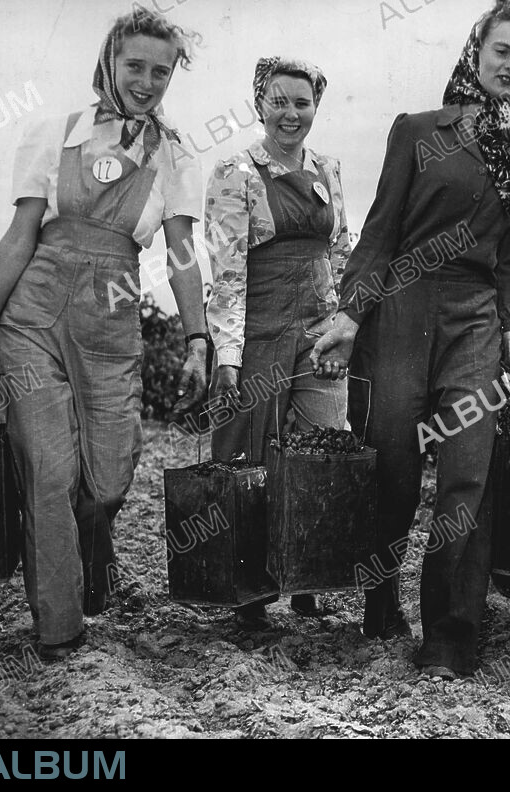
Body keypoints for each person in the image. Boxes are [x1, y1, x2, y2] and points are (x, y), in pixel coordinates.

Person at [311, 0, 510, 679]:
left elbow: (509, 265)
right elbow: (381, 229)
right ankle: (381, 597)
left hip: (474, 322)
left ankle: (450, 633)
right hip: (403, 312)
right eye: (504, 51)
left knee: (468, 473)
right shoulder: (417, 131)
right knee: (394, 470)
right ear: (477, 51)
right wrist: (352, 314)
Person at [0, 5, 207, 659]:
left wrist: (197, 339)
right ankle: (59, 629)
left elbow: (183, 254)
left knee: (106, 482)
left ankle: (87, 553)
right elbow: (20, 236)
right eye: (136, 66)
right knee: (49, 471)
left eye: (162, 71)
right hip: (34, 317)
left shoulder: (176, 153)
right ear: (109, 61)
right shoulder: (56, 131)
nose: (148, 81)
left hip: (111, 322)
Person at [204, 57, 351, 626]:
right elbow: (227, 270)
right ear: (259, 103)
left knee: (324, 442)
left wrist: (343, 328)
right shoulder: (234, 171)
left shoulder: (329, 168)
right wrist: (229, 356)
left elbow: (339, 253)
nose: (291, 114)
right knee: (252, 452)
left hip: (318, 324)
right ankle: (250, 593)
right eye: (279, 101)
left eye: (302, 103)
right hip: (260, 325)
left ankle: (309, 575)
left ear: (316, 107)